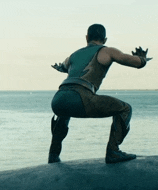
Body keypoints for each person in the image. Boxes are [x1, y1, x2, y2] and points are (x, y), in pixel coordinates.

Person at [48, 24, 152, 164]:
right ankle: (113, 151)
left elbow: (63, 66)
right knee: (125, 108)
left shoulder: (73, 55)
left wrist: (61, 68)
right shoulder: (107, 51)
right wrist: (142, 59)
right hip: (82, 97)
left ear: (86, 38)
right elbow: (135, 62)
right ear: (105, 39)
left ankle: (53, 155)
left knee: (64, 113)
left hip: (58, 99)